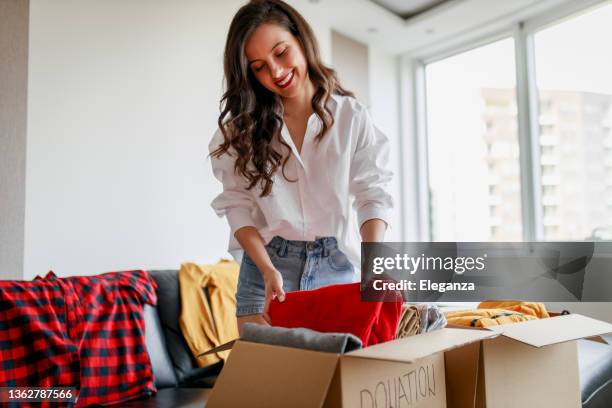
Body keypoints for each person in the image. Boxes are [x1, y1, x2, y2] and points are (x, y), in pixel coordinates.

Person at [209, 0, 393, 335]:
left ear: (301, 40)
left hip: (336, 266)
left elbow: (372, 196)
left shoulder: (351, 117)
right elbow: (237, 209)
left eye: (281, 53)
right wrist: (266, 269)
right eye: (259, 67)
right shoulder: (241, 132)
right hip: (266, 270)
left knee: (334, 382)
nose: (276, 72)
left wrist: (373, 265)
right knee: (267, 382)